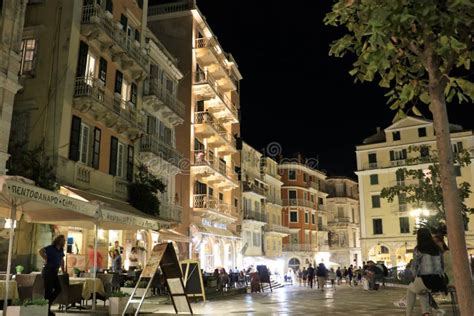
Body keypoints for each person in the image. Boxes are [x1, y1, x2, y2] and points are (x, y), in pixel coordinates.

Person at [405, 228, 447, 316]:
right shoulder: (437, 249)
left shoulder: (418, 249)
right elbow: (442, 265)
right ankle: (426, 313)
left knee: (411, 289)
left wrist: (413, 277)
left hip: (426, 279)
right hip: (438, 281)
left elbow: (415, 266)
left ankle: (408, 314)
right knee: (421, 291)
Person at [39, 235, 66, 316]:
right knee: (48, 290)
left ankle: (45, 306)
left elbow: (62, 260)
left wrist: (63, 270)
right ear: (58, 240)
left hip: (55, 271)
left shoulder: (61, 250)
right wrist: (45, 258)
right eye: (62, 240)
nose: (64, 241)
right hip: (48, 271)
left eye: (64, 240)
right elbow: (40, 251)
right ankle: (46, 310)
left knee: (58, 289)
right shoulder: (51, 247)